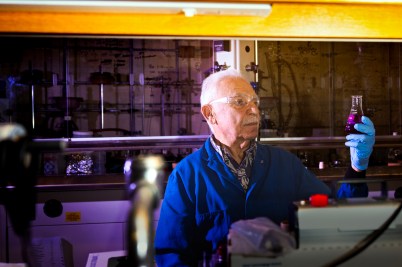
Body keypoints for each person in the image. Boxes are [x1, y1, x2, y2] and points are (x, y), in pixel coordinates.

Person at [154, 69, 376, 266]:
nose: (254, 110)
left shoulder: (284, 164)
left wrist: (357, 167)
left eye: (255, 102)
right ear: (209, 113)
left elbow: (335, 214)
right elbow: (171, 255)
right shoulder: (187, 176)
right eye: (240, 102)